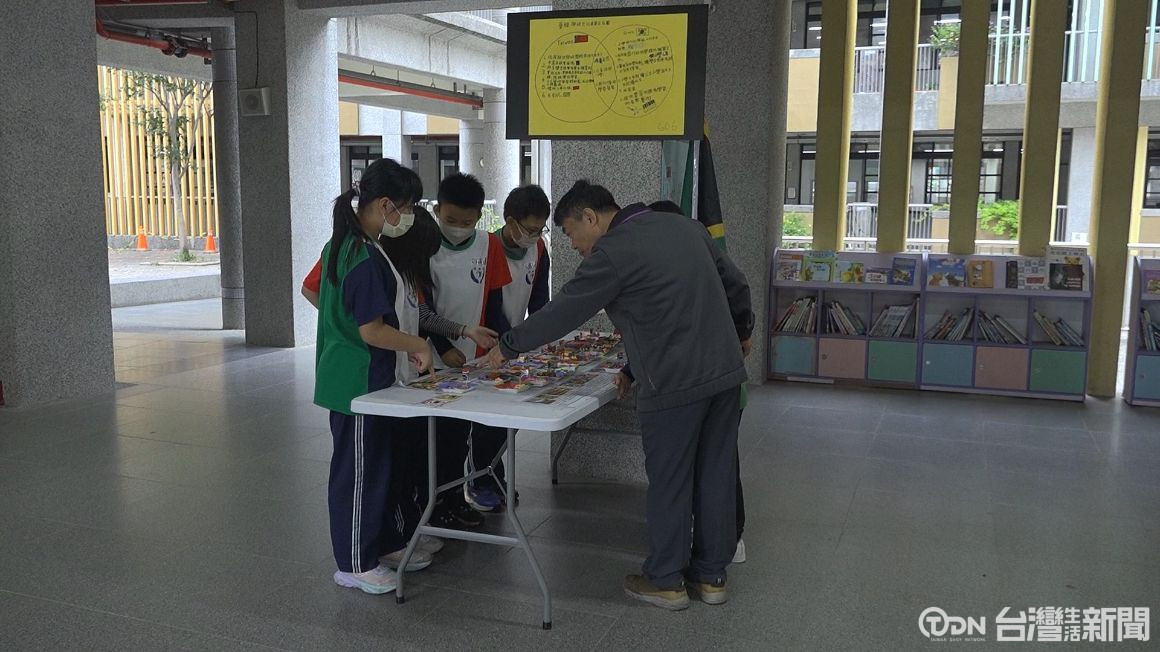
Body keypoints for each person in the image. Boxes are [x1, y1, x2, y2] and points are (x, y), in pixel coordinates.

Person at [486, 180, 753, 610]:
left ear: (590, 217)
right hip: (724, 375)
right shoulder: (687, 228)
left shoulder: (612, 252)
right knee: (716, 473)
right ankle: (711, 577)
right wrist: (742, 331)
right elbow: (735, 284)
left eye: (571, 233)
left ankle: (665, 580)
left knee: (670, 481)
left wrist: (509, 345)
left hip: (672, 383)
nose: (574, 246)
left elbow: (565, 310)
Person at [314, 157, 434, 595]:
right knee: (359, 474)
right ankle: (353, 562)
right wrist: (418, 344)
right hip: (357, 383)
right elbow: (372, 330)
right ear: (386, 205)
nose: (408, 216)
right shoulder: (360, 255)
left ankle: (383, 543)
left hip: (369, 380)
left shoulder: (353, 245)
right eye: (407, 207)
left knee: (380, 466)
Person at [646, 200, 748, 565]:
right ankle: (716, 557)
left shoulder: (682, 265)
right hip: (726, 377)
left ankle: (720, 542)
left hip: (698, 381)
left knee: (704, 469)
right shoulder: (699, 253)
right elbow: (739, 288)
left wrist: (743, 332)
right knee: (719, 466)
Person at [426, 172, 513, 525]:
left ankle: (467, 492)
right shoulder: (425, 245)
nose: (458, 228)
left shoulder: (488, 244)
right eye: (450, 220)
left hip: (475, 358)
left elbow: (494, 299)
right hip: (433, 357)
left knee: (469, 431)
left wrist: (499, 344)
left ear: (479, 216)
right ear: (437, 210)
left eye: (467, 222)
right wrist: (443, 347)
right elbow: (421, 307)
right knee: (443, 438)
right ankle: (441, 503)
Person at [467, 184, 553, 510]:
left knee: (507, 418)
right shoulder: (488, 247)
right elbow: (490, 306)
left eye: (539, 229)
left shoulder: (538, 249)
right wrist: (510, 343)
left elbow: (540, 301)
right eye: (529, 229)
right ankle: (479, 480)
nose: (534, 235)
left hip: (516, 344)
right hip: (488, 343)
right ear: (510, 221)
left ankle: (493, 474)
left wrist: (539, 339)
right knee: (485, 421)